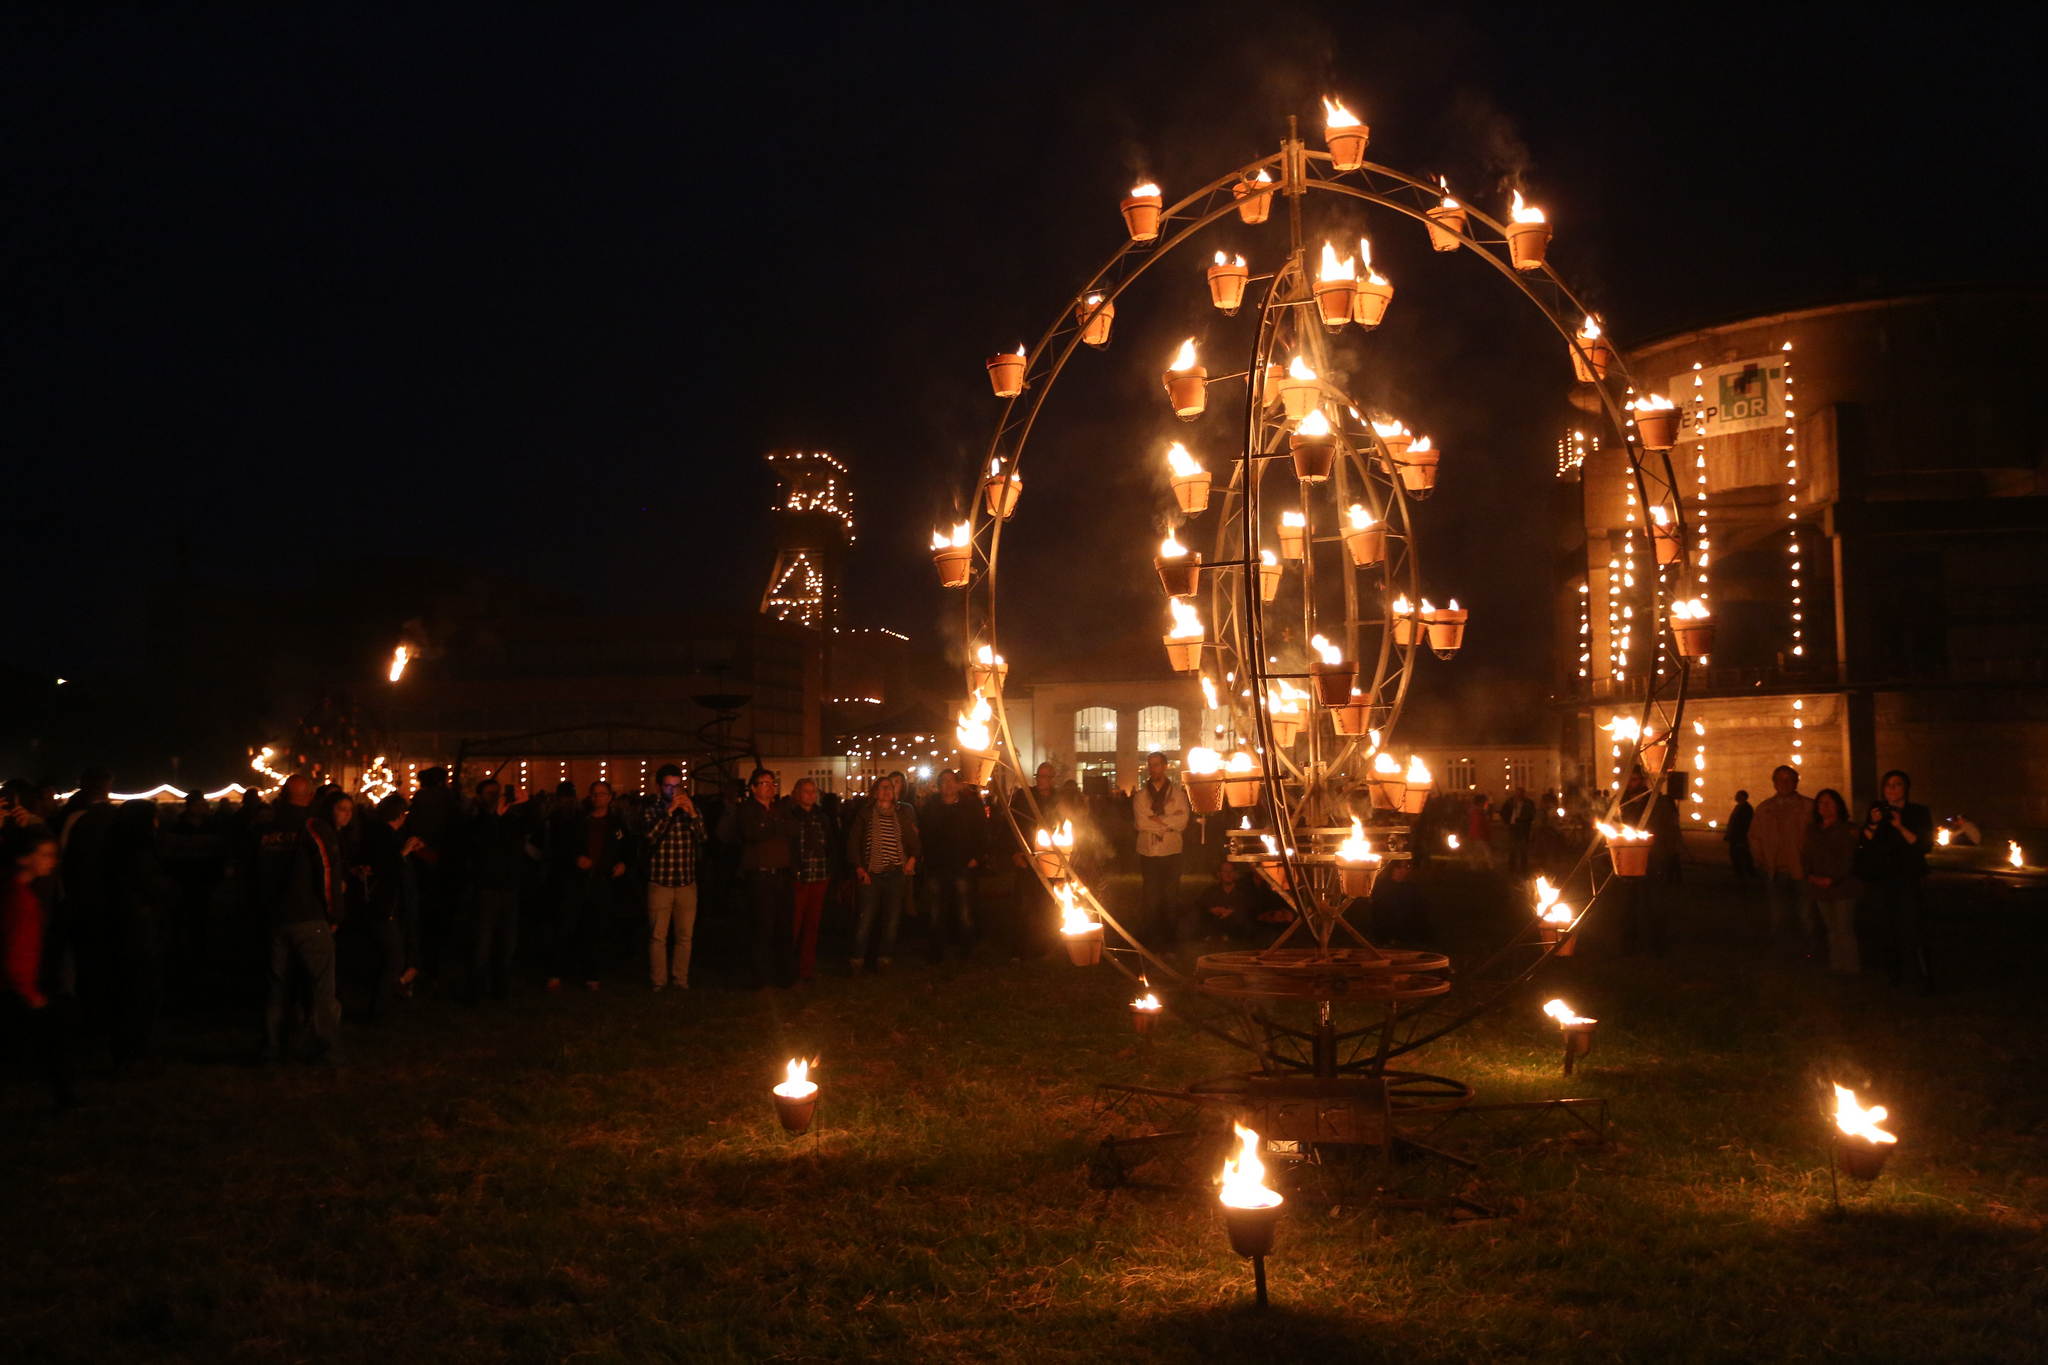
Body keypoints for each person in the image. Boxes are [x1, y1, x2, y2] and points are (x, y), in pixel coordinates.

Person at [262, 784, 349, 1063]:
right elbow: (326, 873)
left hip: (275, 917)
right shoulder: (312, 827)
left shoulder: (264, 831)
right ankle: (326, 1048)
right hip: (308, 917)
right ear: (310, 797)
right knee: (322, 986)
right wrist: (334, 913)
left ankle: (273, 1045)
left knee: (278, 986)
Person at [3, 826, 76, 1109]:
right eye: (44, 855)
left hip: (16, 987)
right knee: (54, 1039)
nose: (52, 861)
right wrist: (29, 993)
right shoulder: (19, 900)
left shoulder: (15, 892)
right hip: (16, 989)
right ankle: (64, 1099)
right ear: (23, 858)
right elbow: (15, 951)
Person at [1857, 769, 1935, 993]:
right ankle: (1894, 974)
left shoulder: (1918, 812)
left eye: (1897, 784)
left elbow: (1923, 845)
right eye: (1888, 785)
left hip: (1908, 879)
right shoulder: (1877, 810)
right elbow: (1866, 843)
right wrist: (1872, 823)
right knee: (1887, 927)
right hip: (1883, 879)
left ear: (1905, 788)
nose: (1892, 789)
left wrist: (1900, 826)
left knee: (1913, 927)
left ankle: (1923, 975)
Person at [719, 768, 798, 988]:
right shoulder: (746, 810)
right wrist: (774, 826)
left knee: (784, 926)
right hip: (760, 876)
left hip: (782, 875)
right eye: (764, 783)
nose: (770, 786)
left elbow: (793, 829)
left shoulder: (780, 808)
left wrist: (772, 825)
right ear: (753, 788)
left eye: (772, 782)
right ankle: (761, 977)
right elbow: (752, 833)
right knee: (762, 927)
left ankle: (786, 975)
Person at [104, 799, 167, 1070]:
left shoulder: (112, 847)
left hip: (117, 924)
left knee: (123, 988)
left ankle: (124, 1047)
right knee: (140, 989)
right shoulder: (141, 850)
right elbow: (150, 885)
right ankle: (136, 1049)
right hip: (138, 926)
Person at [550, 781, 627, 991]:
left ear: (610, 797)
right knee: (566, 926)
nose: (598, 798)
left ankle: (591, 973)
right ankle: (557, 971)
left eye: (602, 794)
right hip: (577, 882)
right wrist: (576, 858)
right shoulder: (578, 822)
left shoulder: (617, 824)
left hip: (602, 882)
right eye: (594, 794)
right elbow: (564, 847)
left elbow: (626, 849)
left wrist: (622, 864)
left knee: (595, 928)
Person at [845, 773, 920, 974]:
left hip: (895, 874)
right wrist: (860, 868)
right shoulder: (866, 814)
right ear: (875, 792)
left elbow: (914, 842)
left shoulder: (901, 815)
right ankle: (858, 959)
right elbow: (853, 843)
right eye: (882, 787)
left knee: (892, 918)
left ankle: (884, 958)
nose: (887, 790)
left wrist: (911, 860)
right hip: (872, 874)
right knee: (866, 918)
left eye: (890, 787)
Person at [642, 764, 705, 992]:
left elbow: (703, 837)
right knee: (658, 936)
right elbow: (649, 836)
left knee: (684, 936)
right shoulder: (652, 809)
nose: (673, 791)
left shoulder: (691, 808)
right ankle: (659, 981)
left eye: (677, 786)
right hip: (660, 881)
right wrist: (669, 812)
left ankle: (681, 979)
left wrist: (692, 813)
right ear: (660, 787)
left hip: (686, 882)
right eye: (668, 786)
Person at [360, 794, 421, 1016]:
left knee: (390, 955)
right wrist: (403, 854)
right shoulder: (385, 838)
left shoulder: (385, 835)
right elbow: (386, 870)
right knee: (393, 958)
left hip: (389, 904)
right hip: (387, 905)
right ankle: (380, 1007)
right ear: (399, 814)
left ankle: (387, 998)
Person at [1748, 764, 1813, 959]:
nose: (1784, 783)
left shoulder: (1809, 807)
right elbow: (1754, 837)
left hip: (1802, 870)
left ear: (1796, 782)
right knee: (1778, 914)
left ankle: (1809, 950)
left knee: (1806, 914)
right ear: (1774, 783)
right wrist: (1761, 860)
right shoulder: (1764, 809)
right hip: (1775, 871)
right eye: (1780, 779)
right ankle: (1782, 950)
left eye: (1788, 779)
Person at [466, 780, 522, 1001]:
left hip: (508, 887)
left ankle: (501, 989)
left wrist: (524, 803)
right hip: (486, 888)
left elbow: (528, 828)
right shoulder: (477, 819)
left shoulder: (510, 819)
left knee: (506, 942)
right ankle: (477, 990)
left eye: (496, 793)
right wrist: (493, 817)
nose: (494, 797)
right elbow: (481, 846)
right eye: (489, 794)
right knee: (482, 942)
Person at [1007, 763, 1066, 961]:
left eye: (1047, 777)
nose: (1043, 781)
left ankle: (1046, 947)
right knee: (1024, 905)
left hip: (1050, 861)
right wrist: (1016, 852)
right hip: (1026, 857)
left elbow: (1066, 826)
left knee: (1047, 905)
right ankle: (1021, 949)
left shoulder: (1058, 800)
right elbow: (1011, 824)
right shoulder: (1024, 797)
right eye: (1040, 776)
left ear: (1053, 779)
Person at [1131, 751, 1191, 944]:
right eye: (1150, 764)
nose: (1153, 768)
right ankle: (1150, 936)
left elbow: (1182, 822)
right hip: (1148, 851)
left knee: (1170, 895)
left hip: (1172, 851)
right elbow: (1141, 823)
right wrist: (1168, 824)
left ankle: (1170, 938)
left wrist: (1157, 820)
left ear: (1165, 766)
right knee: (1150, 896)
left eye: (1156, 764)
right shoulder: (1141, 796)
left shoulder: (1178, 795)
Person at [1802, 789, 1861, 973]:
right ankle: (1837, 964)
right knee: (1831, 928)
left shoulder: (1847, 829)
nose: (1824, 807)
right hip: (1819, 885)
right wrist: (1810, 875)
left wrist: (1833, 878)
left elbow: (1849, 858)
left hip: (1842, 886)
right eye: (1820, 803)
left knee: (1844, 927)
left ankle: (1850, 966)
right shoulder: (1812, 829)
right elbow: (1806, 855)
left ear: (1838, 806)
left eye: (1829, 802)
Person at [786, 777, 836, 983]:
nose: (810, 795)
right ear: (797, 794)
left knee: (812, 925)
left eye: (813, 791)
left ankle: (806, 969)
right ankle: (789, 966)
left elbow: (830, 843)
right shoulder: (791, 816)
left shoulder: (822, 817)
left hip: (820, 875)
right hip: (800, 876)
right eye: (806, 791)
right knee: (794, 923)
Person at [1178, 858, 1280, 946]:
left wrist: (1233, 911)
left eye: (1231, 871)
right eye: (1225, 872)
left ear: (1235, 873)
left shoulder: (1244, 890)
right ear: (1219, 874)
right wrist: (1211, 909)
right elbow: (1199, 904)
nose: (1228, 875)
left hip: (1239, 927)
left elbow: (1252, 908)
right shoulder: (1212, 890)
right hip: (1216, 925)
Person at [1367, 859, 1429, 945]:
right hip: (1384, 930)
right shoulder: (1382, 886)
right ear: (1392, 869)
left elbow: (1417, 910)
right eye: (1399, 867)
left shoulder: (1410, 888)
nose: (1403, 870)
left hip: (1406, 932)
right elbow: (1378, 910)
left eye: (1406, 867)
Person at [1499, 787, 1536, 875]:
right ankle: (1512, 866)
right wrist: (1506, 821)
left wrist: (1525, 820)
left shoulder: (1528, 803)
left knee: (1523, 848)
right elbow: (1503, 812)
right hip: (1513, 827)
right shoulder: (1510, 802)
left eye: (1520, 793)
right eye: (1517, 793)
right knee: (1512, 847)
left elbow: (1532, 814)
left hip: (1523, 827)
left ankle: (1523, 867)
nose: (1518, 795)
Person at [1724, 790, 1756, 882]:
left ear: (1743, 797)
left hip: (1740, 838)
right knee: (1739, 855)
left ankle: (1744, 873)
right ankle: (1745, 872)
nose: (1736, 797)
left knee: (1741, 855)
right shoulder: (1739, 807)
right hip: (1735, 837)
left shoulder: (1746, 809)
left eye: (1738, 795)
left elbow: (1745, 824)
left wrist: (1742, 838)